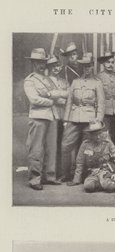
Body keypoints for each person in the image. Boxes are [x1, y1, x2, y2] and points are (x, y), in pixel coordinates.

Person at [61, 52, 105, 182]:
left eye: (89, 66)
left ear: (92, 66)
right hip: (74, 118)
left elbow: (101, 104)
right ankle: (66, 174)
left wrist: (98, 121)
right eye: (84, 66)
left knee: (88, 148)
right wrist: (66, 120)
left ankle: (85, 175)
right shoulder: (75, 82)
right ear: (82, 67)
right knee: (65, 146)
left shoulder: (97, 83)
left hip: (90, 120)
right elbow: (69, 101)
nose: (87, 69)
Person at [23, 48, 63, 190]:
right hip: (38, 117)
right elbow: (34, 100)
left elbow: (56, 94)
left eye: (43, 62)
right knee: (37, 149)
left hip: (52, 116)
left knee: (51, 148)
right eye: (38, 62)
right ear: (33, 63)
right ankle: (35, 179)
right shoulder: (30, 80)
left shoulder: (47, 79)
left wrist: (53, 95)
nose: (42, 65)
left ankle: (50, 177)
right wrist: (50, 100)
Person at [67, 121, 115, 193]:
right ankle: (101, 184)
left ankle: (105, 183)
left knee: (110, 186)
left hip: (106, 172)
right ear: (90, 135)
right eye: (95, 134)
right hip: (92, 173)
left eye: (100, 133)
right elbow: (80, 162)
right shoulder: (85, 144)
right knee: (88, 186)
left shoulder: (107, 143)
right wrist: (76, 179)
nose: (98, 136)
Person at [97, 50, 115, 147]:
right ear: (103, 63)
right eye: (108, 62)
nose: (110, 64)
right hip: (105, 111)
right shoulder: (98, 77)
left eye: (112, 62)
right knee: (105, 134)